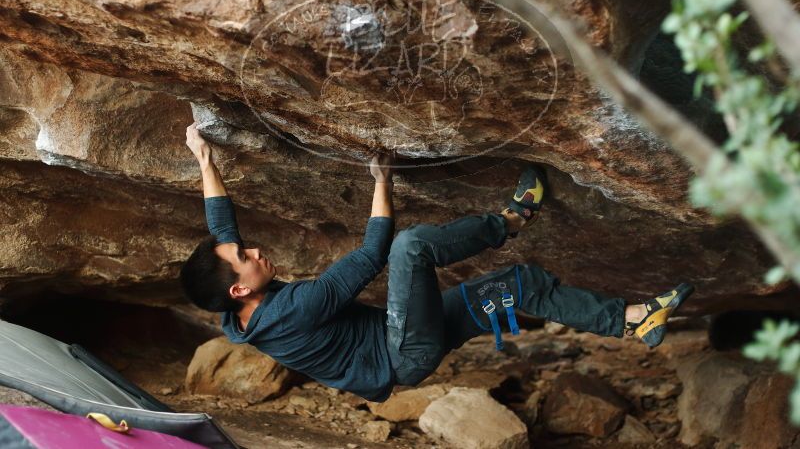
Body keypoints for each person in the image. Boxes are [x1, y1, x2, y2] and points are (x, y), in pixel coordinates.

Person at [180, 122, 694, 402]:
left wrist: (206, 161)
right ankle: (510, 222)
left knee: (520, 287)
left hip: (405, 339)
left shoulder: (237, 312)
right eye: (245, 259)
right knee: (411, 247)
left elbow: (222, 233)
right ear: (238, 289)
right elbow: (372, 255)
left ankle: (634, 320)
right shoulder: (293, 309)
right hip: (404, 351)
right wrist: (381, 181)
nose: (253, 251)